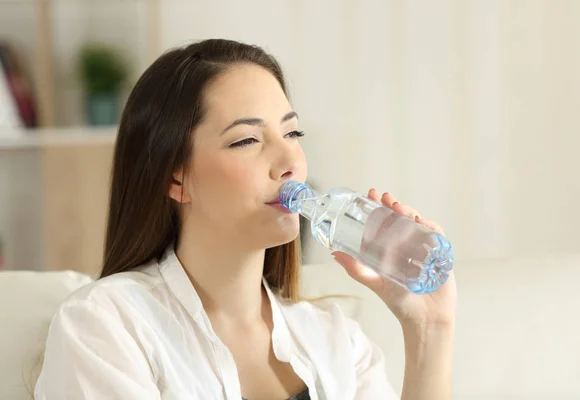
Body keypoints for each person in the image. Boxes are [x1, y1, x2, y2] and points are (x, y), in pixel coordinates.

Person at [34, 39, 456, 400]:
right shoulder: (106, 325)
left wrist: (429, 330)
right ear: (175, 177)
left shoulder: (336, 340)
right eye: (247, 140)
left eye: (292, 134)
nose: (290, 161)